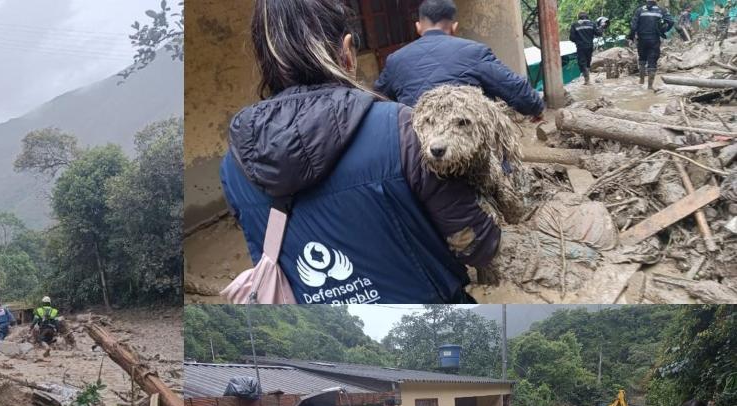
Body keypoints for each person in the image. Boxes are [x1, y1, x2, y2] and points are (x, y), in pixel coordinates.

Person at [221, 0, 499, 304]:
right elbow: (475, 244)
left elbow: (266, 255)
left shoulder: (234, 165)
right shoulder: (403, 128)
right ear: (348, 51)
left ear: (265, 62)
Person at [374, 0, 543, 117]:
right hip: (468, 151)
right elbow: (515, 88)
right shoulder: (475, 52)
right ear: (454, 27)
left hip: (417, 152)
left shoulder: (395, 60)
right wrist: (535, 108)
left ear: (418, 27)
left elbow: (377, 100)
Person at [631, 1, 675, 90]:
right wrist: (664, 30)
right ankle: (650, 86)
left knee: (642, 59)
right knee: (652, 62)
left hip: (642, 39)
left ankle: (641, 80)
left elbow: (633, 26)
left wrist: (631, 37)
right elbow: (671, 21)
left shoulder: (639, 10)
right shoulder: (661, 10)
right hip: (654, 39)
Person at [569, 12, 605, 85]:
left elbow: (572, 38)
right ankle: (587, 79)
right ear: (587, 17)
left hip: (580, 47)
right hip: (590, 46)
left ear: (579, 18)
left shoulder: (574, 25)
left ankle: (587, 80)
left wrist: (578, 40)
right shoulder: (592, 24)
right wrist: (602, 27)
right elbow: (599, 33)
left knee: (582, 63)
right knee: (588, 62)